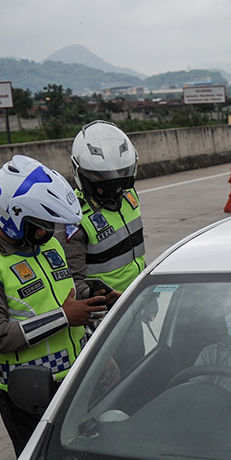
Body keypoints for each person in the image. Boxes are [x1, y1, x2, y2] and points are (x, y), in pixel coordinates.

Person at [0, 155, 109, 457]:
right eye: (41, 224)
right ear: (13, 217)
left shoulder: (48, 245)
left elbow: (65, 291)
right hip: (30, 398)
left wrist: (93, 292)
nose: (49, 229)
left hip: (76, 381)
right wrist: (64, 318)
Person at [65, 120, 148, 367]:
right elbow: (71, 283)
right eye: (103, 178)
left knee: (138, 372)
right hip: (102, 321)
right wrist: (97, 295)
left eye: (122, 174)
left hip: (134, 307)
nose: (115, 184)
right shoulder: (75, 220)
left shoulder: (130, 196)